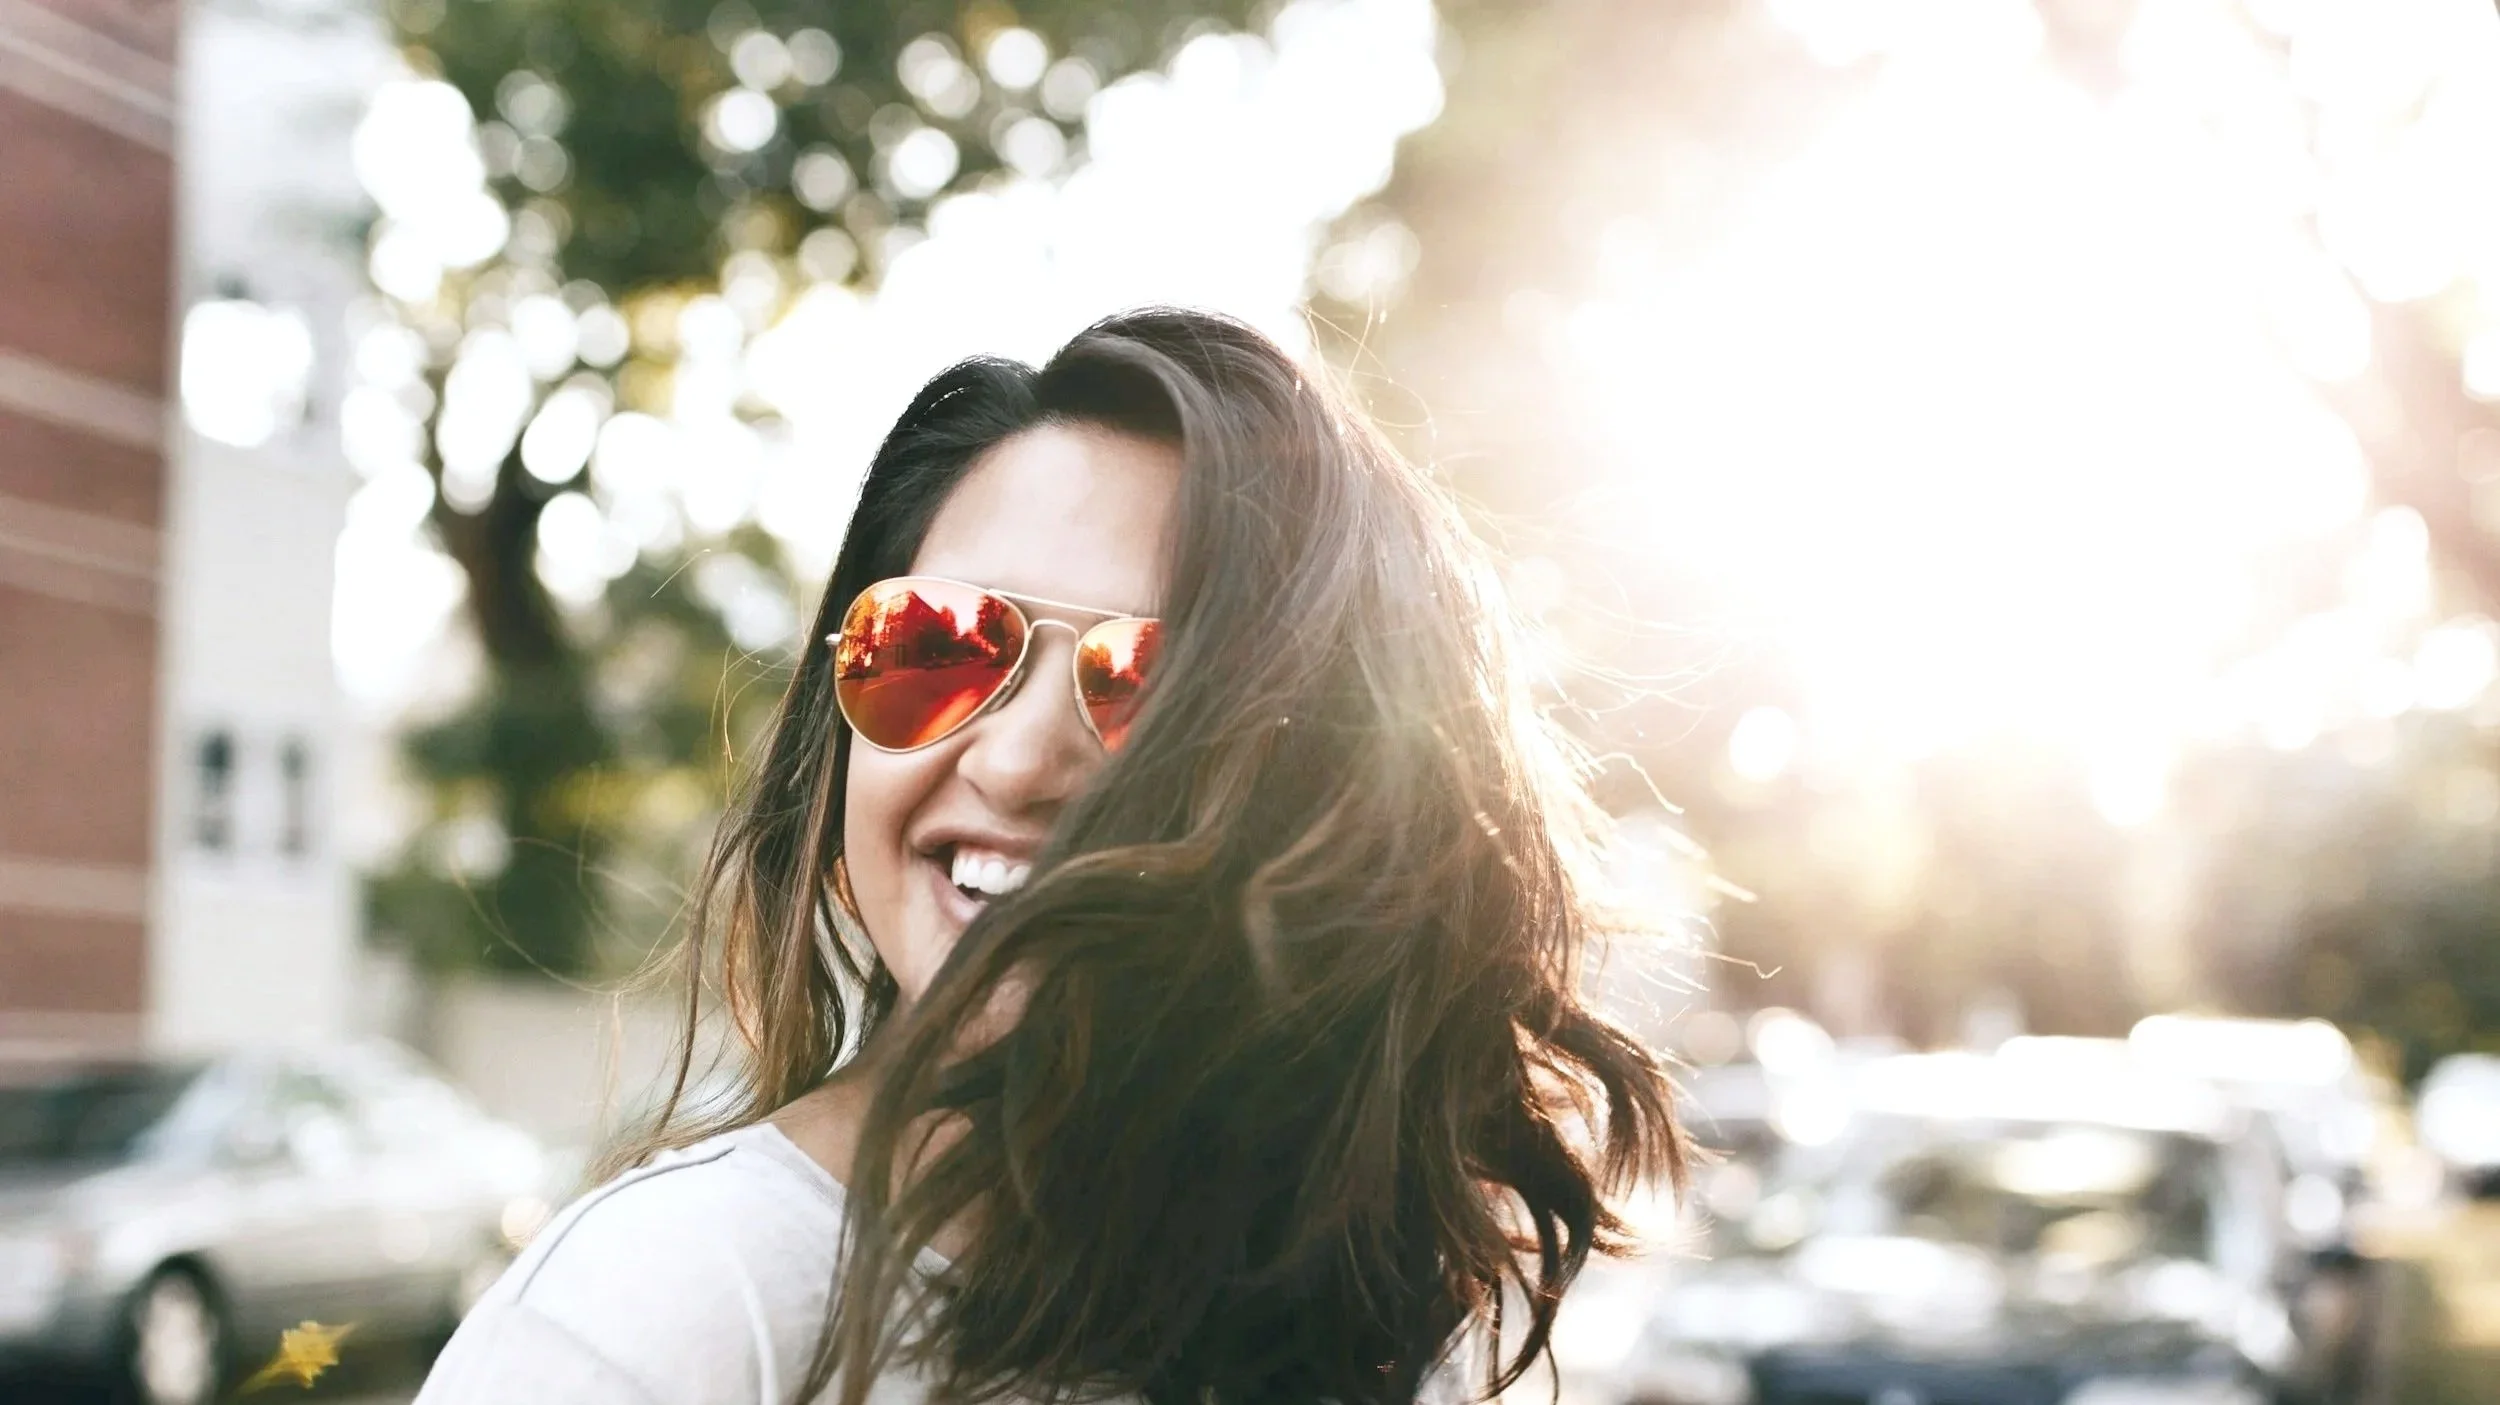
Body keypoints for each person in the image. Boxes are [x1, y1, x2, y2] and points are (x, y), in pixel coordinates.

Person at [414, 308, 1685, 1405]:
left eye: (1158, 683)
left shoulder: (1391, 1316)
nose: (1017, 762)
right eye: (939, 645)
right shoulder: (668, 1306)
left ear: (1341, 797)